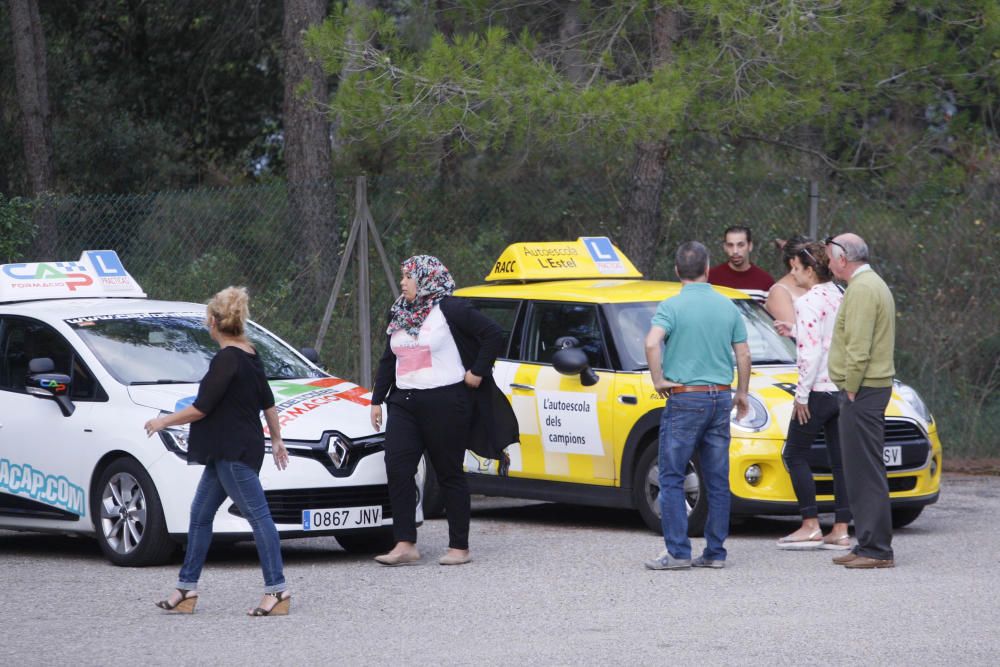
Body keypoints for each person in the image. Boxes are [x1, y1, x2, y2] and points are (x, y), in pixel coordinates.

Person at [145, 286, 291, 615]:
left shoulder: (227, 358)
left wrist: (163, 422)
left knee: (259, 518)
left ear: (213, 322)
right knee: (199, 517)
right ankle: (186, 589)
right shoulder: (251, 352)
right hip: (228, 451)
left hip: (232, 452)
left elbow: (201, 408)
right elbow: (268, 404)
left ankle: (277, 590)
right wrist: (277, 439)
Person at [370, 255, 515, 567]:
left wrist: (477, 371)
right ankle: (405, 542)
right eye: (403, 276)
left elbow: (493, 334)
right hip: (404, 402)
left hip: (446, 402)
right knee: (397, 467)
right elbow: (388, 358)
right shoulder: (399, 311)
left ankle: (459, 547)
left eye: (409, 277)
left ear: (426, 279)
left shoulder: (451, 309)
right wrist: (376, 399)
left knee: (448, 472)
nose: (403, 283)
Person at [643, 241, 751, 571]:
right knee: (717, 479)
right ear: (707, 270)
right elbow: (743, 353)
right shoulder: (728, 306)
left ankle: (678, 552)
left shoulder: (671, 306)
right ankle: (715, 552)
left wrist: (659, 379)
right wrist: (742, 392)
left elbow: (651, 342)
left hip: (685, 397)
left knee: (673, 476)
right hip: (719, 396)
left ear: (677, 271)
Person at [772, 241, 852, 550]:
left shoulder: (806, 301)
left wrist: (801, 396)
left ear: (809, 270)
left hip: (817, 389)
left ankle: (810, 524)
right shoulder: (839, 295)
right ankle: (841, 529)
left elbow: (811, 352)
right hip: (840, 388)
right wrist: (792, 330)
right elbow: (828, 336)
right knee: (839, 459)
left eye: (796, 268)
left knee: (794, 453)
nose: (792, 274)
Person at [825, 233, 897, 569]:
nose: (827, 264)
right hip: (866, 388)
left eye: (829, 257)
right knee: (859, 468)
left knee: (866, 470)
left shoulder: (863, 289)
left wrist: (850, 386)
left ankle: (877, 549)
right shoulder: (867, 285)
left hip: (863, 389)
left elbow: (859, 345)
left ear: (843, 258)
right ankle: (867, 542)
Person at [708, 225, 775, 303]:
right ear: (725, 247)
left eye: (740, 245)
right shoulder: (710, 278)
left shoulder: (766, 281)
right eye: (730, 245)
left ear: (750, 246)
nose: (735, 251)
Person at [765, 235, 810, 323]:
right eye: (808, 257)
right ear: (793, 263)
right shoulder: (779, 292)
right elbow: (790, 332)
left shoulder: (815, 285)